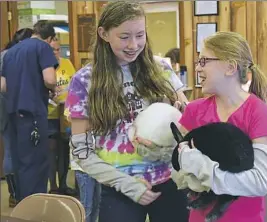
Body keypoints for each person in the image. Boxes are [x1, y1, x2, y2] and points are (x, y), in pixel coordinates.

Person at [65, 2, 189, 222]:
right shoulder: (84, 80)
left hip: (171, 181)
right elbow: (80, 151)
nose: (134, 44)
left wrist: (173, 142)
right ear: (104, 33)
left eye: (140, 35)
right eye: (124, 37)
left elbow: (189, 124)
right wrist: (125, 184)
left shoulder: (162, 69)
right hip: (119, 188)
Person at [175, 31, 267, 222]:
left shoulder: (257, 111)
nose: (197, 68)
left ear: (230, 67)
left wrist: (206, 172)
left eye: (204, 61)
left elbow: (260, 181)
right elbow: (179, 167)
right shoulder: (194, 110)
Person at [2, 20, 58, 202]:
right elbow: (50, 78)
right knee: (37, 163)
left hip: (13, 113)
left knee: (20, 161)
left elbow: (3, 86)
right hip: (33, 112)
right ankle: (36, 206)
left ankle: (21, 203)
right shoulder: (43, 48)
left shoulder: (11, 52)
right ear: (50, 39)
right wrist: (52, 88)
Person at [0, 28, 33, 207]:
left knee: (10, 149)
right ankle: (19, 193)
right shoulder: (16, 56)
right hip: (12, 107)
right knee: (16, 151)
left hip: (4, 108)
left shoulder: (5, 54)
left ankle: (14, 194)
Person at [47, 38, 77, 196]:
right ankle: (53, 185)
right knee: (51, 151)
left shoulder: (67, 64)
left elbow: (73, 85)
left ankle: (64, 184)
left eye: (58, 49)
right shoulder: (44, 66)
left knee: (65, 151)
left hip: (65, 114)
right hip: (49, 115)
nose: (55, 53)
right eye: (52, 50)